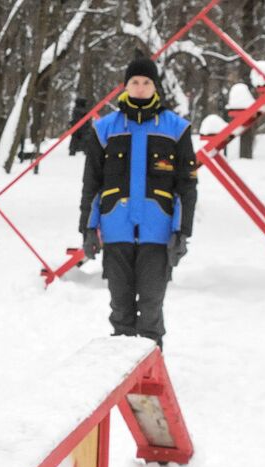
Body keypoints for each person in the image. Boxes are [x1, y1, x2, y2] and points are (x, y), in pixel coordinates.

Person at [79, 56, 198, 348]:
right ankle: (123, 376)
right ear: (126, 86)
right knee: (120, 309)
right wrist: (87, 228)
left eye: (146, 82)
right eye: (135, 82)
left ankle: (151, 379)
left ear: (155, 86)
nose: (141, 87)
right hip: (115, 228)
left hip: (157, 233)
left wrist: (182, 231)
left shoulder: (176, 128)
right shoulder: (104, 128)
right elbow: (91, 184)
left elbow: (186, 185)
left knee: (151, 309)